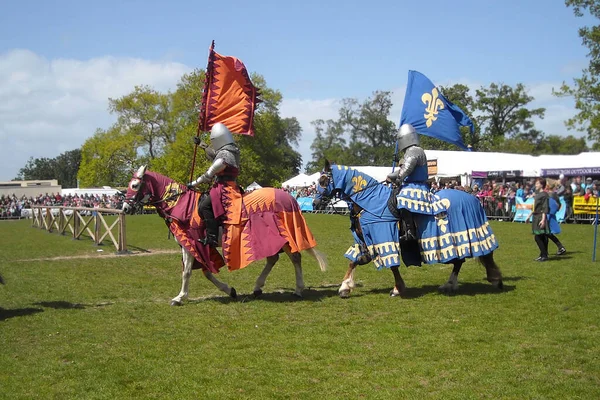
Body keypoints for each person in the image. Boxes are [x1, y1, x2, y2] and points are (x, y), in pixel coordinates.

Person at [188, 123, 241, 247]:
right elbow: (213, 154)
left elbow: (208, 175)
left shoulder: (225, 156)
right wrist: (201, 144)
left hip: (224, 188)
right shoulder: (230, 151)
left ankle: (212, 236)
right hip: (228, 185)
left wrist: (193, 184)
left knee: (204, 206)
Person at [386, 123, 428, 242]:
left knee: (404, 199)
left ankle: (410, 231)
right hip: (411, 185)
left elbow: (407, 169)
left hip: (417, 186)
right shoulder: (411, 151)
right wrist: (390, 176)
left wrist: (398, 178)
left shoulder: (414, 151)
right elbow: (402, 169)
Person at [531, 177, 550, 262]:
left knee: (538, 237)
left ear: (542, 185)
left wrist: (543, 219)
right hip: (536, 216)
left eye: (537, 183)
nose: (536, 185)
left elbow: (544, 208)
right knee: (542, 236)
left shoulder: (544, 195)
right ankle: (542, 254)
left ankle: (544, 254)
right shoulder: (538, 194)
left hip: (540, 217)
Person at [546, 183, 566, 256]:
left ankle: (560, 247)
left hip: (548, 214)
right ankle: (559, 247)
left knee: (546, 233)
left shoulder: (550, 195)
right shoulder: (555, 195)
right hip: (551, 214)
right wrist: (555, 210)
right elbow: (559, 205)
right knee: (546, 233)